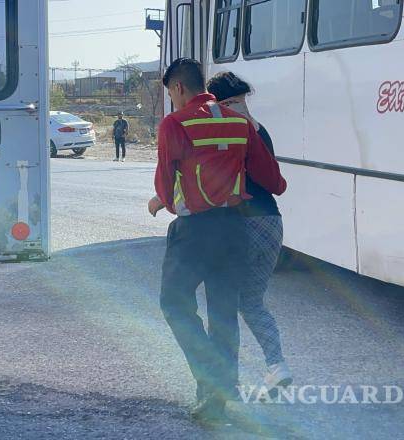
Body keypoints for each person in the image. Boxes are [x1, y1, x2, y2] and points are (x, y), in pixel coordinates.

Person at [148, 58, 287, 422]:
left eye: (171, 94)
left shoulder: (175, 123)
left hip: (194, 232)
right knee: (223, 315)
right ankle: (215, 398)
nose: (173, 101)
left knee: (175, 305)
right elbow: (275, 183)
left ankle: (215, 378)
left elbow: (165, 186)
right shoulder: (240, 123)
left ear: (178, 88)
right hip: (234, 229)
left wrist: (163, 200)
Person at [207, 71, 292, 395]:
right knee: (252, 301)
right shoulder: (260, 130)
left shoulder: (219, 132)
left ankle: (227, 381)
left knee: (226, 303)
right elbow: (273, 182)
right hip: (271, 223)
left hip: (238, 224)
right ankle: (276, 364)